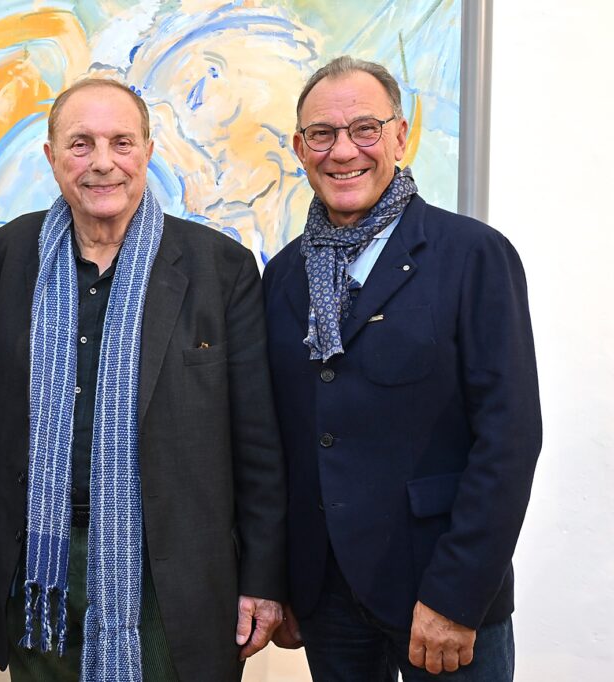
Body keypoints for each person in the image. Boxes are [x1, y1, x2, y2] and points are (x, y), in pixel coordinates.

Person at [0, 78, 287, 681]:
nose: (102, 162)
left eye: (121, 142)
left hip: (173, 574)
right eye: (81, 144)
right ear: (52, 157)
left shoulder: (219, 267)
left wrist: (262, 578)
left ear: (147, 152)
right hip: (40, 567)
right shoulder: (14, 252)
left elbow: (257, 441)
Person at [263, 56, 542, 680]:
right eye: (322, 134)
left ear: (400, 136)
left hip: (441, 593)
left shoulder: (474, 256)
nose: (343, 151)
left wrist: (455, 597)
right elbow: (276, 441)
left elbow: (510, 439)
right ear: (300, 149)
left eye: (365, 128)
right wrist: (282, 580)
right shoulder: (281, 278)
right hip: (327, 598)